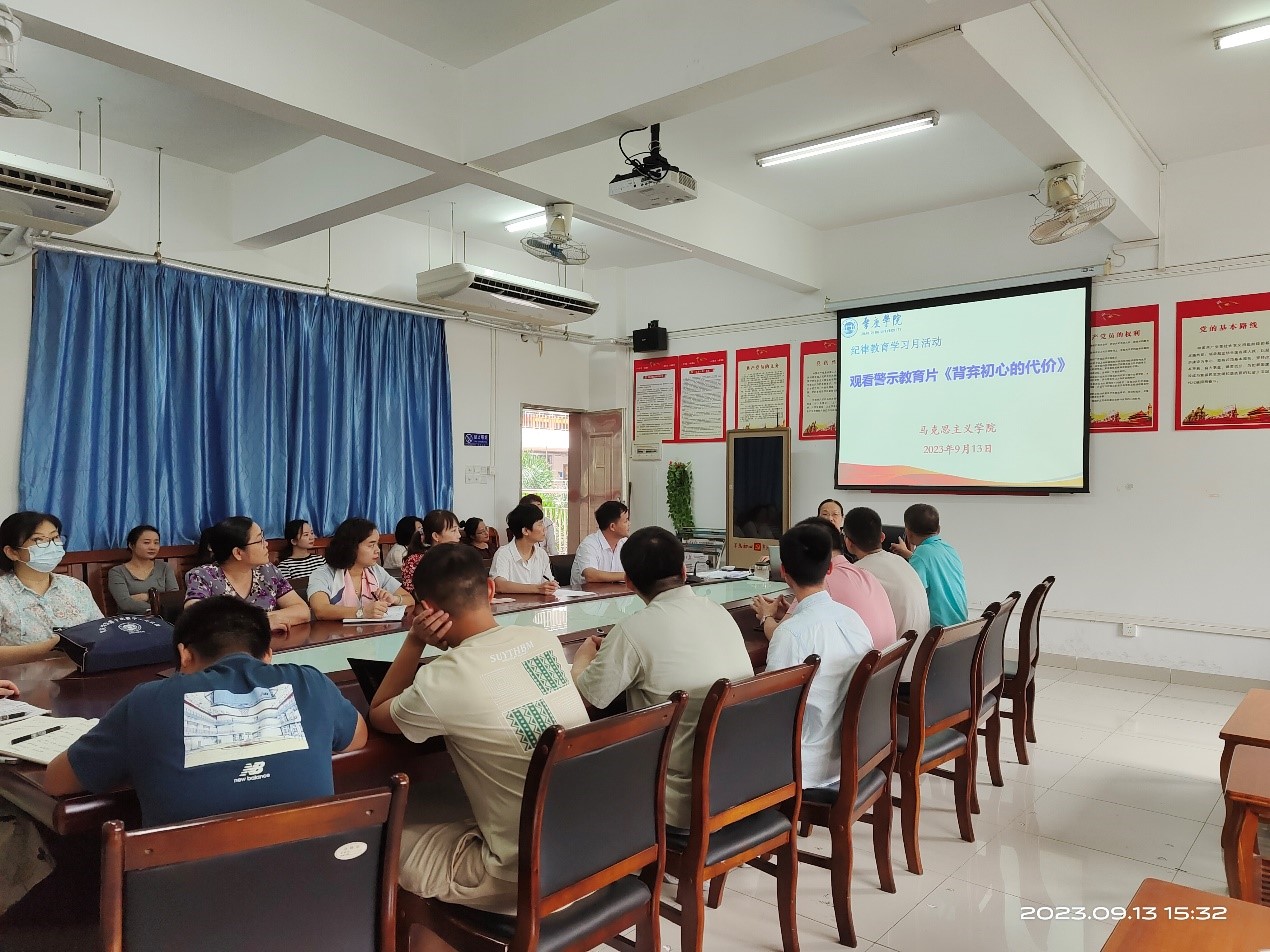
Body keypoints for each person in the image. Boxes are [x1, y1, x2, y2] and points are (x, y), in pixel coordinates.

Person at [369, 544, 588, 913]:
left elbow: (378, 713)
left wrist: (415, 640)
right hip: (596, 846)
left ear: (426, 610)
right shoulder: (542, 640)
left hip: (523, 873)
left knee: (382, 843)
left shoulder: (444, 677)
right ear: (490, 589)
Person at [43, 596, 367, 826]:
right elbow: (356, 737)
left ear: (184, 655)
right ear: (268, 654)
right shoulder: (310, 682)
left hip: (186, 897)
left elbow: (57, 781)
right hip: (316, 888)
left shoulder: (147, 701)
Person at [570, 526, 753, 828]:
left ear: (629, 582)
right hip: (741, 781)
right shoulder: (718, 611)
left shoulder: (632, 630)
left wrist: (582, 660)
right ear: (683, 570)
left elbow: (593, 695)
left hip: (678, 799)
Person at [753, 523, 873, 789]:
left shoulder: (790, 634)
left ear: (784, 572)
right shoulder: (852, 618)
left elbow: (772, 710)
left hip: (806, 766)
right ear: (829, 568)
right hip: (854, 753)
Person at [0, 511, 102, 665]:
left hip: (84, 674)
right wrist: (48, 649)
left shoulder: (76, 587)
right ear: (12, 552)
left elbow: (102, 632)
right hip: (23, 678)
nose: (51, 546)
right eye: (38, 540)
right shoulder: (3, 593)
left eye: (55, 538)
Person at [782, 516, 896, 650]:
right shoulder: (866, 574)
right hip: (885, 659)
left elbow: (782, 633)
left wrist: (766, 616)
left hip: (861, 661)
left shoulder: (819, 580)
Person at [184, 516, 310, 631]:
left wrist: (263, 619)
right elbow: (195, 619)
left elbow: (302, 611)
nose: (266, 544)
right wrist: (260, 622)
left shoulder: (268, 571)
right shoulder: (202, 576)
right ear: (238, 553)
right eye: (259, 540)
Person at [842, 506, 930, 641]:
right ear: (882, 537)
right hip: (921, 648)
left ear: (848, 543)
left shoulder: (857, 573)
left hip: (898, 651)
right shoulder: (902, 562)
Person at [307, 518, 415, 621]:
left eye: (377, 544)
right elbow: (320, 610)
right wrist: (361, 612)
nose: (377, 550)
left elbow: (409, 599)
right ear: (351, 547)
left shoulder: (375, 570)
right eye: (371, 545)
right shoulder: (323, 574)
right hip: (335, 633)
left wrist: (394, 599)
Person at [890, 503, 968, 628]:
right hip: (960, 625)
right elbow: (933, 567)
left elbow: (913, 594)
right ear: (939, 529)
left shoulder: (921, 555)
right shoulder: (948, 548)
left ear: (908, 533)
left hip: (938, 630)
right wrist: (910, 555)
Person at [106, 524, 179, 615]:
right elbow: (125, 603)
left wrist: (148, 596)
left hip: (163, 617)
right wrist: (158, 606)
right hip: (132, 619)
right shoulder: (117, 572)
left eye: (156, 543)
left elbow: (174, 597)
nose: (152, 547)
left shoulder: (164, 567)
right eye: (146, 543)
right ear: (131, 545)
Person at [489, 504, 558, 595]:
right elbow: (499, 585)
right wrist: (537, 588)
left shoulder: (541, 554)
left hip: (538, 603)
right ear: (525, 531)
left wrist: (551, 586)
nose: (544, 529)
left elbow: (548, 580)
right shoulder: (503, 553)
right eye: (540, 524)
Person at [569, 500, 630, 587]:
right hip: (588, 595)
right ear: (612, 526)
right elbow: (590, 575)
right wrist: (628, 576)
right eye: (626, 521)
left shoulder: (625, 543)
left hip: (615, 593)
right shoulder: (589, 544)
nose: (629, 524)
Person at [401, 510, 461, 595]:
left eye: (458, 530)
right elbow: (412, 594)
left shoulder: (459, 556)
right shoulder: (415, 561)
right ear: (436, 536)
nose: (459, 535)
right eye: (453, 531)